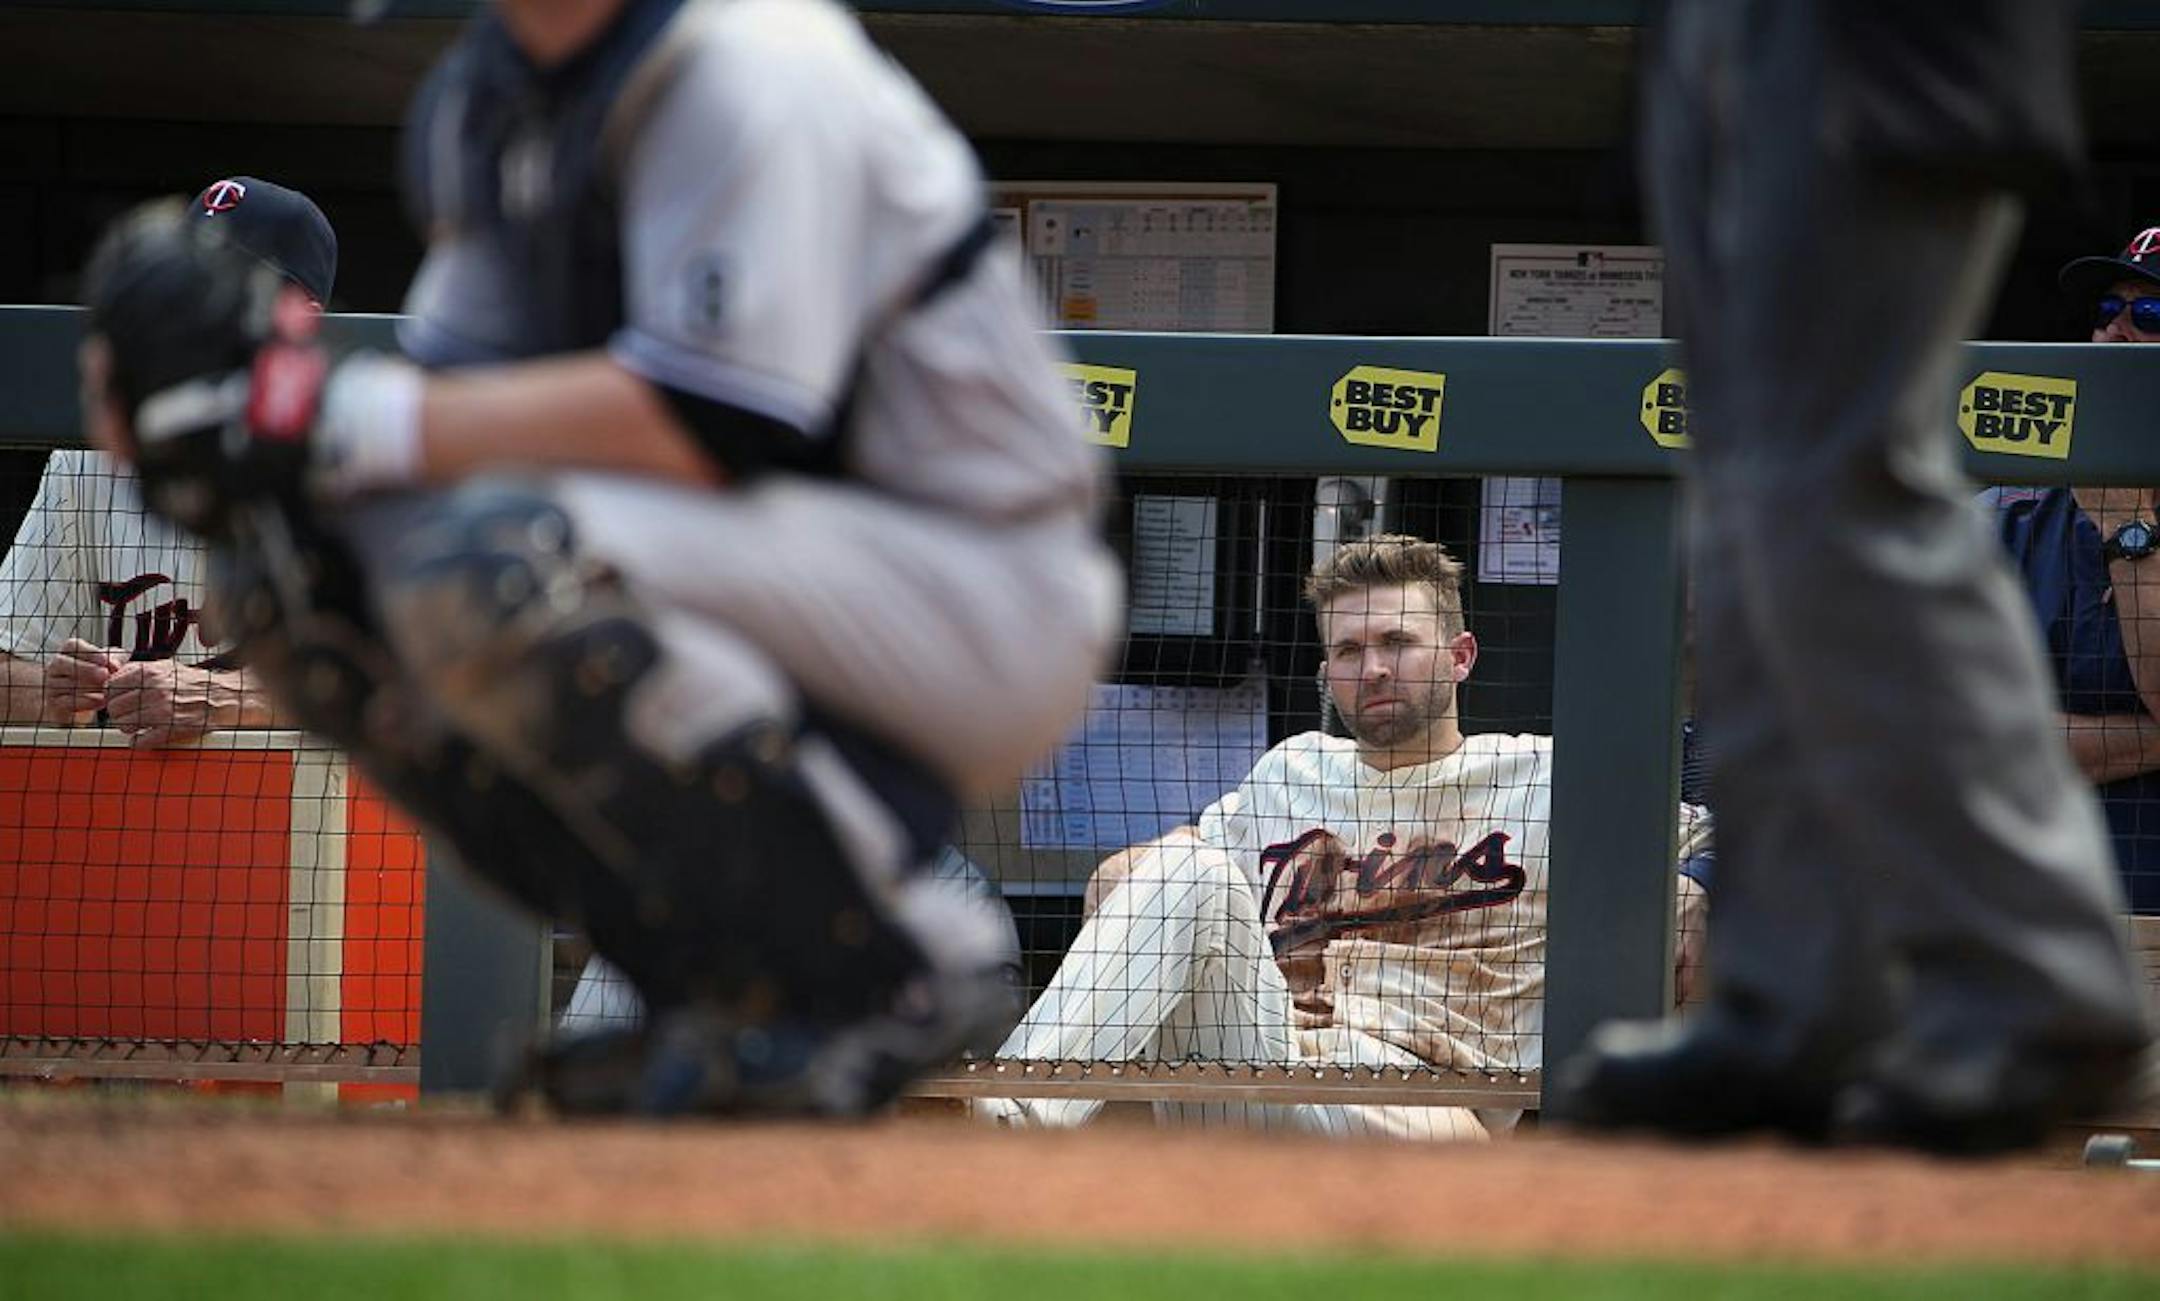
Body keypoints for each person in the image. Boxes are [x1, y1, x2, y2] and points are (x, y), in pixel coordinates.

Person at [76, 0, 1120, 1117]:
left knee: (490, 552)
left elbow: (715, 418)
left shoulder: (753, 63)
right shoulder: (483, 106)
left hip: (979, 575)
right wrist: (237, 440)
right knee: (301, 586)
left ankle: (899, 944)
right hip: (763, 555)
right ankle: (706, 993)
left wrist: (327, 417)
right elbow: (443, 419)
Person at [1555, 0, 2152, 1153]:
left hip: (1862, 40)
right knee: (1745, 508)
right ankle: (1799, 998)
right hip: (1714, 35)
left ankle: (2040, 971)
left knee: (1838, 477)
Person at [974, 535, 1709, 1140]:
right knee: (1182, 868)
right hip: (1260, 1064)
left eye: (1398, 641)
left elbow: (1743, 840)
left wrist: (1696, 879)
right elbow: (1188, 870)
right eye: (1351, 650)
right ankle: (1011, 1121)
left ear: (1461, 656)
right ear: (1327, 671)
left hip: (1426, 1103)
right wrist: (1129, 876)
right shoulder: (1288, 770)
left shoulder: (1548, 776)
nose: (1375, 667)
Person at [0, 177, 334, 745]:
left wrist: (228, 699)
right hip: (124, 827)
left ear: (300, 317)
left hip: (310, 826)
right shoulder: (91, 463)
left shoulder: (352, 461)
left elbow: (418, 690)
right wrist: (50, 690)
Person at [1989, 227, 2160, 916]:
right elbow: (1979, 740)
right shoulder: (2012, 511)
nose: (2116, 332)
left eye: (2149, 316)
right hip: (2025, 921)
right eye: (2104, 313)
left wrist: (2128, 529)